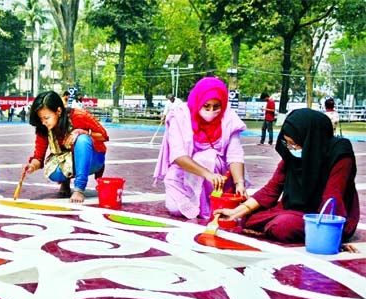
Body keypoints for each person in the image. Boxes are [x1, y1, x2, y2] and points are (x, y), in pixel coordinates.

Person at [215, 108, 359, 252]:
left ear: (310, 140)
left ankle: (285, 227)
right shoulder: (293, 156)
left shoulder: (340, 154)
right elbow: (271, 189)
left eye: (294, 144)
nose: (291, 148)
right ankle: (275, 225)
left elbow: (333, 197)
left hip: (326, 215)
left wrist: (329, 236)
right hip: (294, 210)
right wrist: (235, 213)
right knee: (249, 218)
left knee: (283, 226)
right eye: (288, 143)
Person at [153, 76, 248, 219]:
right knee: (176, 209)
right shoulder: (180, 116)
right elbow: (178, 155)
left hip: (218, 176)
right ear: (198, 102)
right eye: (206, 106)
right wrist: (207, 174)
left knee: (210, 158)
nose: (211, 111)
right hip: (185, 172)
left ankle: (209, 202)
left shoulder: (228, 117)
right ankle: (197, 200)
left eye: (216, 107)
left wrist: (239, 183)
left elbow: (235, 154)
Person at [23, 90, 109, 203]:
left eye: (46, 118)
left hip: (94, 159)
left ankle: (79, 188)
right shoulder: (43, 127)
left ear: (58, 111)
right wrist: (32, 166)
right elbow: (39, 157)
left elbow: (104, 136)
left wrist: (84, 132)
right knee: (54, 173)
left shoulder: (79, 116)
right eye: (40, 119)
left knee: (82, 140)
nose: (43, 122)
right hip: (68, 161)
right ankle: (65, 182)